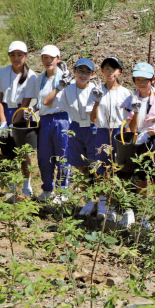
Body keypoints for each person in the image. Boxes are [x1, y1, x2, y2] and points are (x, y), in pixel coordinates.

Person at [78, 56, 131, 221]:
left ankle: (115, 204)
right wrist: (97, 102)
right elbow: (92, 118)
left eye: (113, 69)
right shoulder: (97, 91)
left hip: (119, 132)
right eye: (107, 69)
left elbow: (128, 118)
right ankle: (102, 202)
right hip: (101, 131)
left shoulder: (125, 93)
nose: (110, 72)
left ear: (119, 72)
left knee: (117, 168)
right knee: (101, 167)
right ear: (102, 71)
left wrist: (127, 139)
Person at [122, 62, 155, 231]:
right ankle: (142, 217)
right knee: (141, 181)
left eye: (146, 80)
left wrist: (149, 134)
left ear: (153, 80)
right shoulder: (130, 100)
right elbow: (131, 128)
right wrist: (135, 112)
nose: (142, 83)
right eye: (138, 80)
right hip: (138, 142)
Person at [44, 57, 96, 205]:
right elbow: (46, 102)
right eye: (80, 71)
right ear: (74, 71)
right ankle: (88, 201)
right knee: (81, 166)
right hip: (76, 127)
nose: (83, 75)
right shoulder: (68, 89)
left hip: (93, 128)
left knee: (97, 166)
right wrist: (59, 87)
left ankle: (102, 201)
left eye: (87, 72)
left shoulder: (95, 89)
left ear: (92, 74)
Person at [0, 41, 37, 198]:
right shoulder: (2, 73)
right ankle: (10, 186)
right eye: (12, 55)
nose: (16, 58)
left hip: (20, 115)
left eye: (20, 55)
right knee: (5, 150)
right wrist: (3, 121)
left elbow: (25, 103)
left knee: (22, 151)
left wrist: (13, 123)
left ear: (26, 56)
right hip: (4, 112)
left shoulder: (31, 77)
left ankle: (26, 186)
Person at [33, 45, 71, 202]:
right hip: (45, 120)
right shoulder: (39, 79)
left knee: (62, 155)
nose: (48, 61)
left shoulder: (65, 79)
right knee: (44, 156)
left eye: (52, 58)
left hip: (61, 119)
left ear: (58, 59)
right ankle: (47, 188)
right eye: (45, 58)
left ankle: (62, 191)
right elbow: (40, 102)